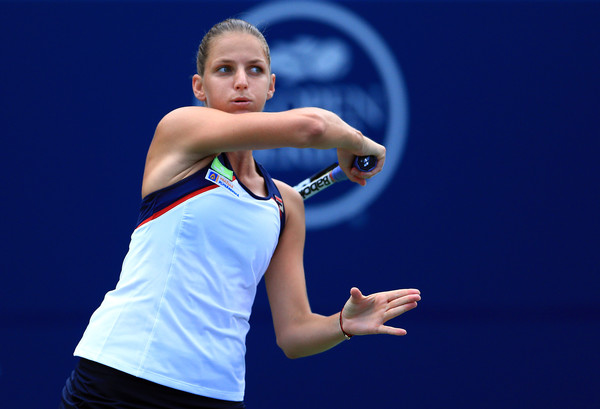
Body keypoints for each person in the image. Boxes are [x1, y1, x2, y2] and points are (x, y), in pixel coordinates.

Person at [59, 18, 421, 409]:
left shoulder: (285, 205)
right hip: (122, 379)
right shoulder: (179, 133)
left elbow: (295, 334)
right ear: (200, 87)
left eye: (255, 70)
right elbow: (314, 126)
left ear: (272, 85)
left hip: (217, 394)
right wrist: (363, 143)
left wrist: (341, 325)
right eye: (224, 70)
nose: (241, 82)